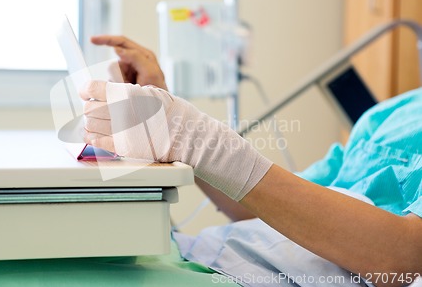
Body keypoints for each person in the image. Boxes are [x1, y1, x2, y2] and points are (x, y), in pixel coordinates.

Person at [80, 35, 422, 287]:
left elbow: (403, 260)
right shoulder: (390, 115)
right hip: (210, 256)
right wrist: (169, 127)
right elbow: (264, 208)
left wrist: (194, 137)